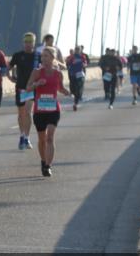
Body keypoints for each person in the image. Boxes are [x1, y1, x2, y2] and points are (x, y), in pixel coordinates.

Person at [26, 46, 70, 177]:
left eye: (46, 56)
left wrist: (66, 91)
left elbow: (60, 88)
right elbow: (28, 88)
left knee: (50, 137)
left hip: (53, 109)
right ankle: (43, 160)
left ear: (53, 58)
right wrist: (37, 84)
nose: (43, 58)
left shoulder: (58, 74)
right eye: (42, 56)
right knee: (42, 139)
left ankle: (48, 165)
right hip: (39, 110)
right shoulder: (36, 72)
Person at [8, 32, 39, 150]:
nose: (27, 44)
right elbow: (8, 67)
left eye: (30, 42)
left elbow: (44, 68)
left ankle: (27, 137)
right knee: (21, 113)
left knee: (27, 112)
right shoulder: (17, 55)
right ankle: (22, 135)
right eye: (26, 42)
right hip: (20, 87)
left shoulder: (38, 56)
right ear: (23, 43)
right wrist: (10, 77)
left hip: (31, 88)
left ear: (34, 43)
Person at [65, 46, 88, 111]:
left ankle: (75, 103)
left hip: (79, 74)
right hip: (73, 74)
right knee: (73, 89)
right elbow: (67, 63)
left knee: (78, 88)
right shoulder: (72, 57)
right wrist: (69, 65)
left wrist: (84, 65)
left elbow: (85, 63)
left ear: (80, 50)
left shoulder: (82, 56)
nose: (77, 51)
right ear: (75, 50)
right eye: (76, 49)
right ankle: (75, 97)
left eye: (78, 50)